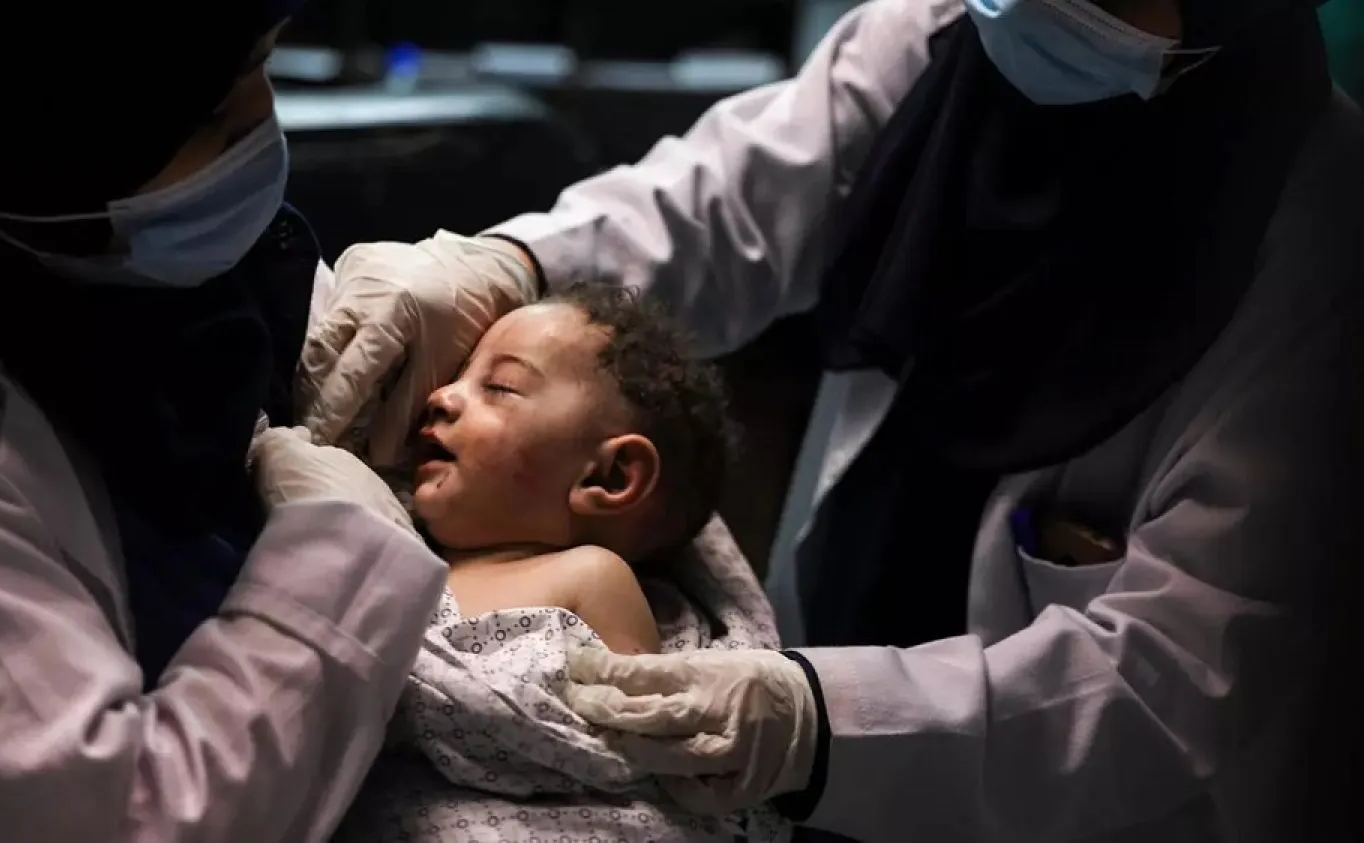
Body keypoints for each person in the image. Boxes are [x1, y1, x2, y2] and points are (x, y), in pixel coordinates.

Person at [299, 0, 1364, 839]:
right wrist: (508, 266)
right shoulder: (941, 40)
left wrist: (815, 721)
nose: (447, 399)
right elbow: (717, 206)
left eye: (501, 387)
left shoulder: (1319, 241)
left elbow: (1180, 675)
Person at [0, 2, 446, 840]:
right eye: (213, 111)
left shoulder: (124, 232)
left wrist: (507, 263)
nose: (262, 124)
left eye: (266, 62)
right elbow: (119, 818)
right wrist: (344, 557)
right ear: (42, 149)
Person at [410, 283, 737, 656]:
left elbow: (631, 694)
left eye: (501, 387)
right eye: (458, 375)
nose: (441, 396)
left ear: (609, 476)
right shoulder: (403, 526)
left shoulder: (590, 578)